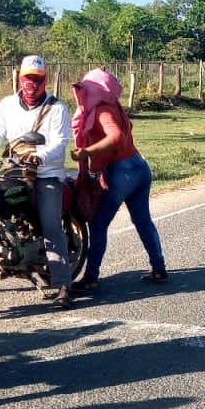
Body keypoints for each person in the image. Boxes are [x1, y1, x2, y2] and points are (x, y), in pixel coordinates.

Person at [0, 54, 75, 307]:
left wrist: (38, 156)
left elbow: (60, 143)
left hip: (46, 174)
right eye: (28, 78)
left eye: (37, 79)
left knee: (51, 226)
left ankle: (63, 284)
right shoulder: (7, 104)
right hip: (14, 169)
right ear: (19, 78)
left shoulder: (57, 108)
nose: (32, 84)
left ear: (45, 80)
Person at [68, 67, 167, 293]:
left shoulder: (102, 111)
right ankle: (159, 267)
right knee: (143, 220)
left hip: (123, 172)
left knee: (98, 224)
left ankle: (91, 277)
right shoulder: (114, 105)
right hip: (139, 166)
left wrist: (87, 152)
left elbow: (115, 137)